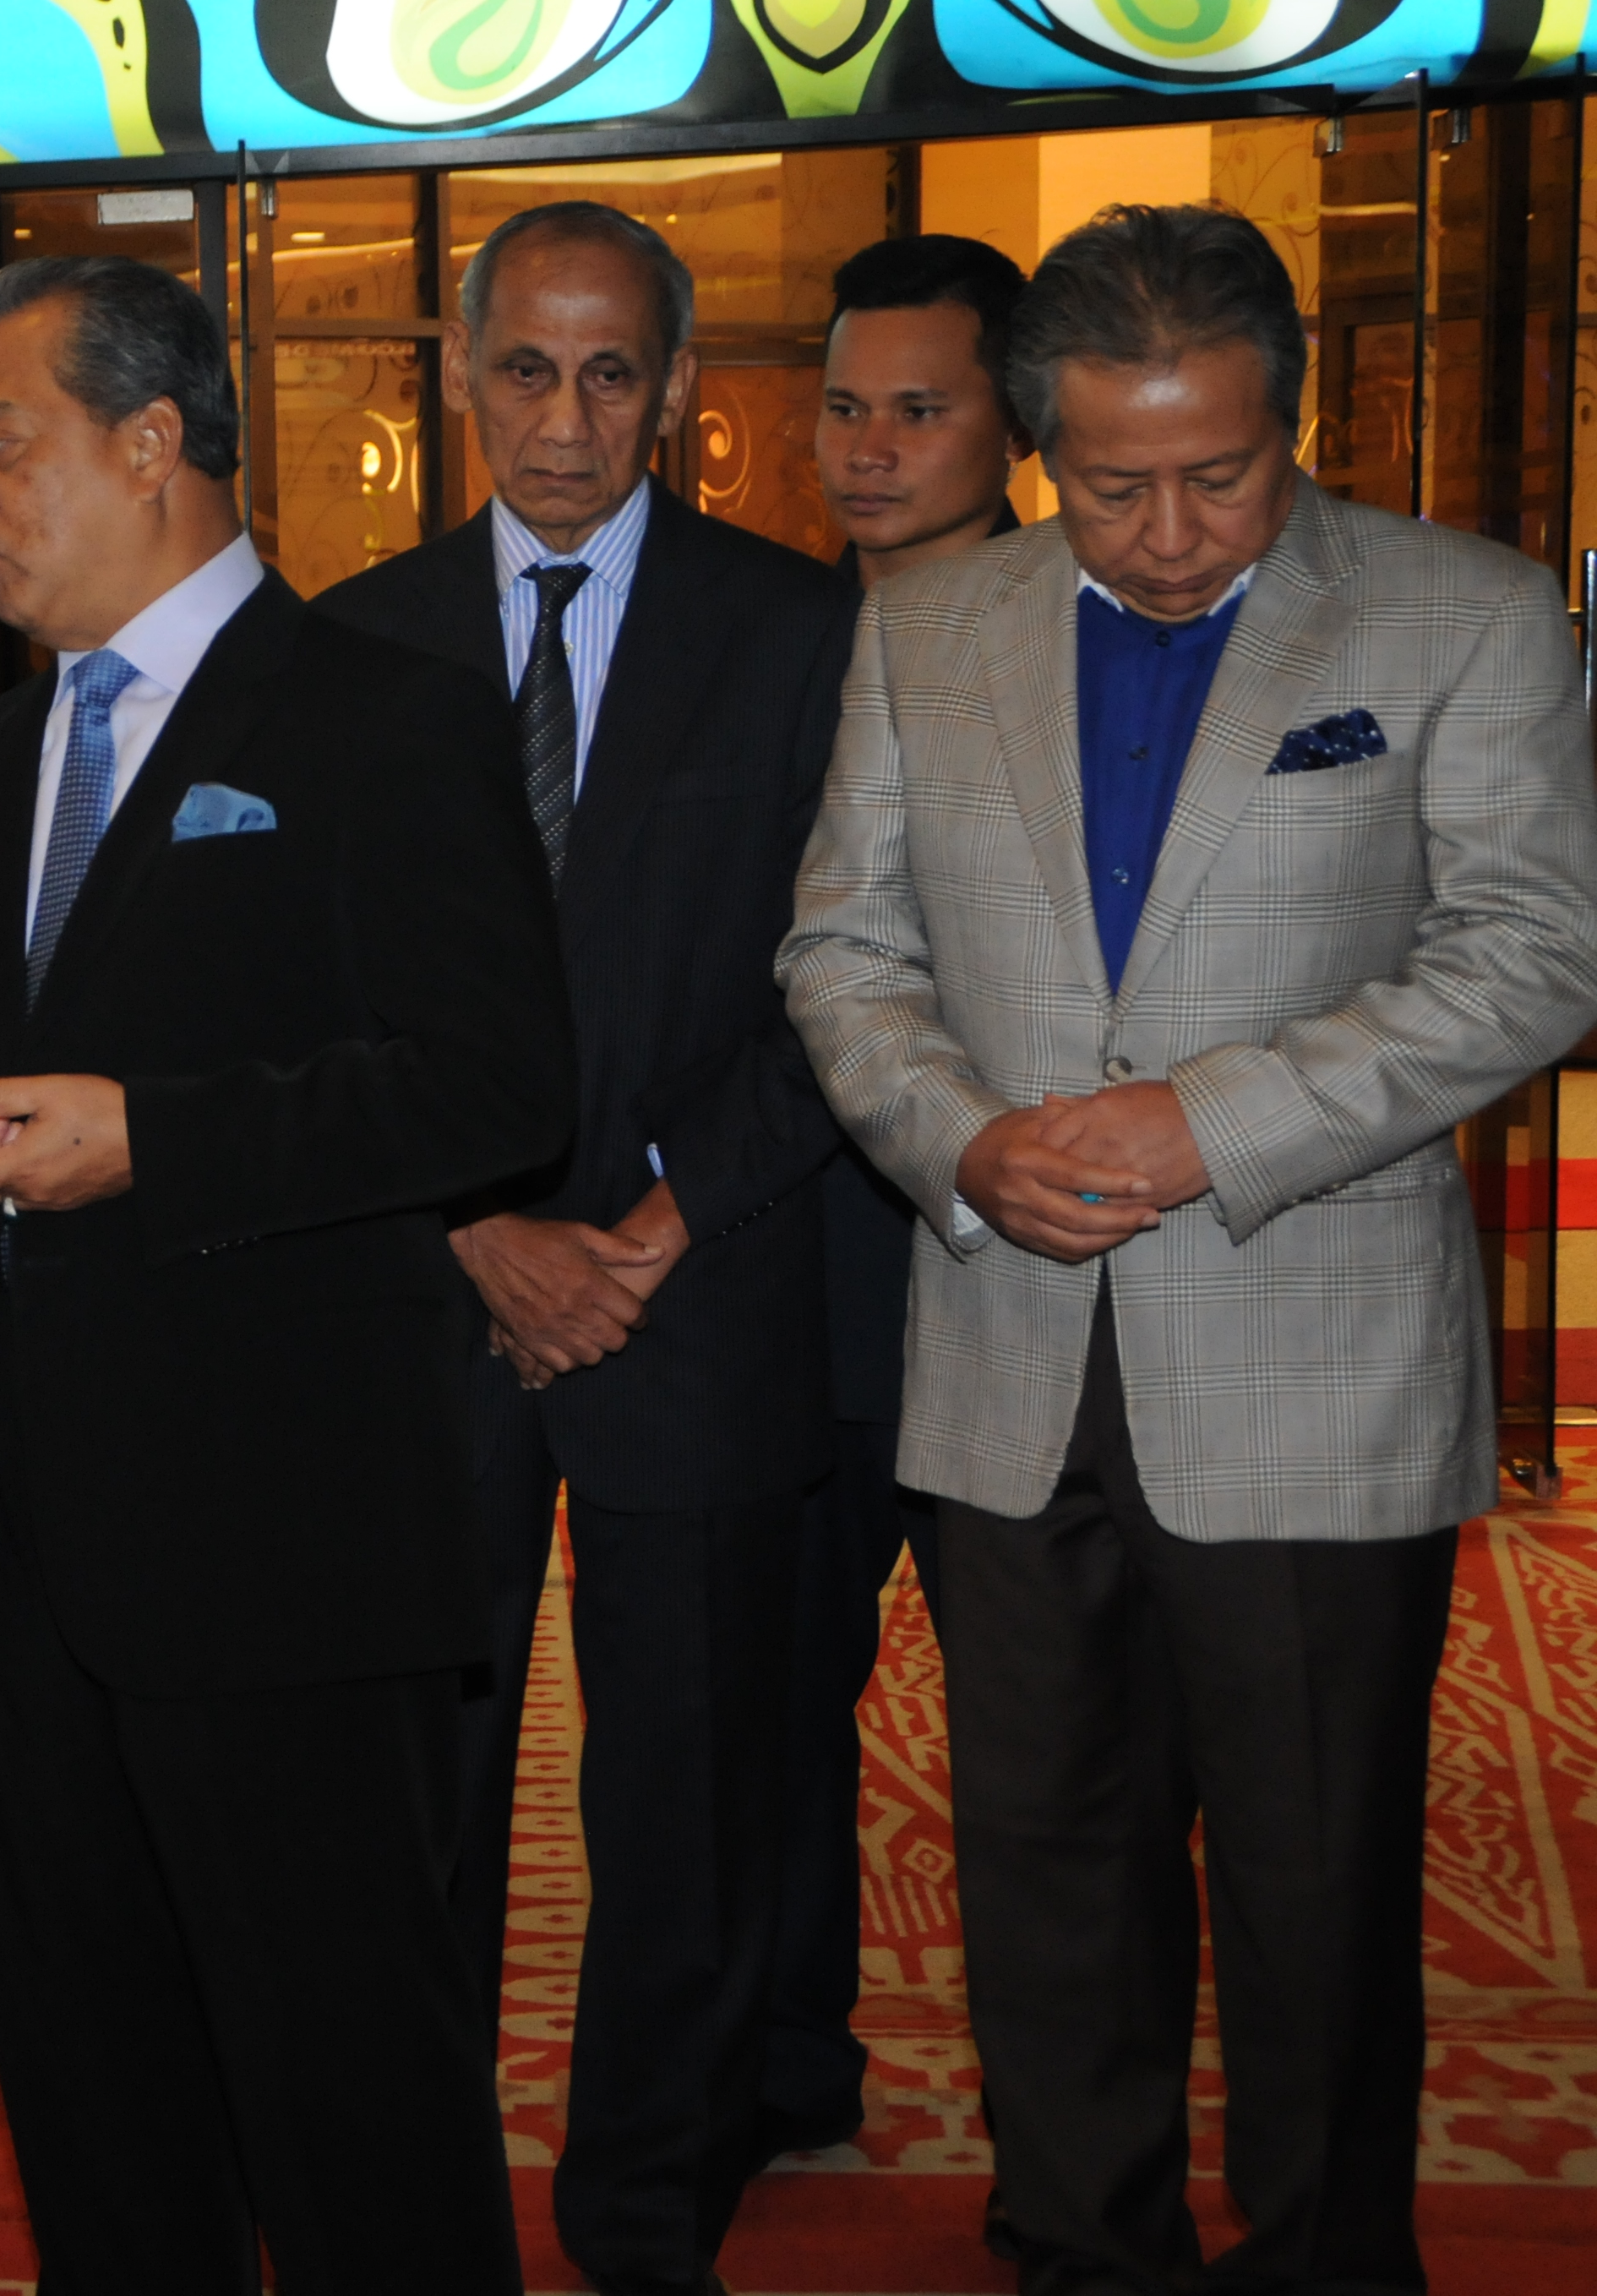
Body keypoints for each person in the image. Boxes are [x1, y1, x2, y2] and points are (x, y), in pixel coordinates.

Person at [780, 203, 1597, 2296]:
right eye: (1110, 481)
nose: (1162, 531)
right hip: (1008, 1352)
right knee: (1047, 1873)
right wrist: (958, 1140)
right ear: (1038, 445)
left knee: (1312, 1881)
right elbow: (843, 951)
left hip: (1306, 1358)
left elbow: (1532, 953)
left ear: (1287, 425)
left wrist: (1203, 1123)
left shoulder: (1459, 613)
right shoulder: (926, 627)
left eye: (1215, 478)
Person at [0, 252, 571, 2296]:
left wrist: (158, 1139)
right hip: (32, 1567)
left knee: (354, 2116)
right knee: (95, 2114)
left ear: (149, 442)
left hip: (288, 1553)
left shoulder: (381, 715)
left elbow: (493, 1085)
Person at [314, 199, 862, 2296]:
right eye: (525, 368)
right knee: (409, 1797)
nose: (564, 417)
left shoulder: (796, 632)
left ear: (678, 388)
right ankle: (409, 2196)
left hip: (691, 1293)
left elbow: (846, 978)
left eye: (609, 369)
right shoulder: (348, 646)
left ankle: (650, 2198)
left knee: (688, 1792)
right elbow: (312, 1003)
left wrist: (644, 1229)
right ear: (459, 375)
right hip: (425, 1303)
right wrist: (473, 1222)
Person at [766, 232, 1037, 2168]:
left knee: (1041, 1745)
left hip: (1022, 1269)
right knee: (774, 1706)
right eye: (842, 408)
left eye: (915, 411)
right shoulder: (764, 640)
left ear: (1010, 421)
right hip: (784, 1270)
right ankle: (783, 2073)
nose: (865, 448)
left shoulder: (1091, 633)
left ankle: (1058, 2147)